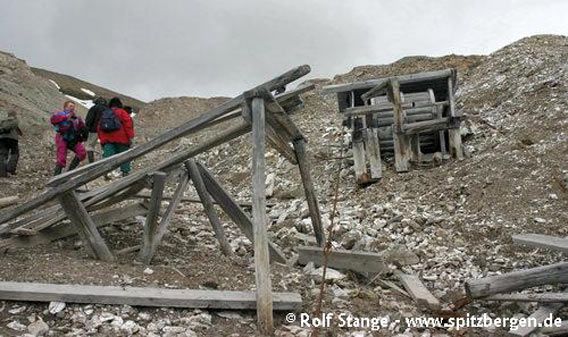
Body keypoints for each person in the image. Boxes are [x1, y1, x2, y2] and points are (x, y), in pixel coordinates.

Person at [98, 97, 134, 177]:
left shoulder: (105, 113)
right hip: (122, 139)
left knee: (108, 155)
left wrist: (101, 139)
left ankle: (105, 172)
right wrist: (130, 137)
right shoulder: (122, 112)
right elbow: (128, 125)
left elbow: (99, 127)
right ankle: (125, 172)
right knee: (124, 156)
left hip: (107, 139)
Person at [51, 101, 88, 176]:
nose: (72, 108)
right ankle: (56, 179)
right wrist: (66, 117)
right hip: (62, 138)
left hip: (72, 139)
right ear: (65, 107)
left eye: (73, 106)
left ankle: (69, 173)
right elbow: (53, 120)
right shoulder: (60, 114)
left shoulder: (77, 118)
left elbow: (83, 127)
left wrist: (84, 135)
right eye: (70, 106)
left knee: (82, 153)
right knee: (61, 158)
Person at [84, 97, 107, 163]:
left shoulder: (94, 108)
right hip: (105, 131)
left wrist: (86, 131)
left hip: (94, 130)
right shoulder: (108, 109)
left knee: (90, 146)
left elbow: (89, 120)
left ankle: (92, 164)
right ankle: (104, 163)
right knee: (104, 148)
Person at [0, 110, 22, 177]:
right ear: (14, 115)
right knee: (15, 154)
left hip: (2, 139)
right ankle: (10, 169)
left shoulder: (3, 121)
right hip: (12, 139)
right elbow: (18, 131)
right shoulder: (15, 121)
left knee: (2, 155)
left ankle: (2, 172)